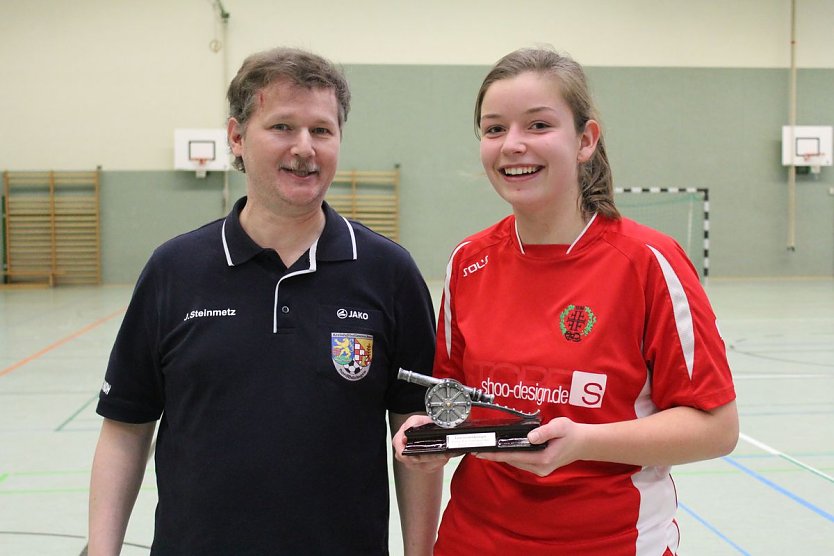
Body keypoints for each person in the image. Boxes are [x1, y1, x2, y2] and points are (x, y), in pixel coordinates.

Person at [89, 47, 442, 555]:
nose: (305, 148)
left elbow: (414, 438)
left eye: (322, 130)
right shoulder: (175, 269)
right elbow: (126, 427)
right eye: (282, 127)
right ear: (236, 136)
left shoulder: (389, 273)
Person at [393, 47, 738, 555]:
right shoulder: (468, 262)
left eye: (537, 126)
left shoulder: (648, 263)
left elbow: (717, 428)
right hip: (473, 540)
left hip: (611, 543)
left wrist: (584, 441)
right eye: (494, 129)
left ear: (585, 140)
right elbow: (459, 404)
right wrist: (433, 436)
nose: (512, 145)